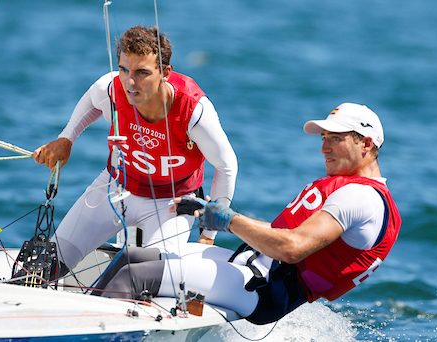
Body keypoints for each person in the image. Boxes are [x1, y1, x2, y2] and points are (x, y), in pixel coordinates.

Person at [94, 102, 401, 325]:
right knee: (133, 256)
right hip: (252, 267)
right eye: (323, 138)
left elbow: (292, 248)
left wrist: (229, 220)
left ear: (367, 143)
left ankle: (94, 328)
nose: (324, 148)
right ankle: (81, 316)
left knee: (136, 276)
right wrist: (211, 213)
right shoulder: (354, 190)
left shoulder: (360, 197)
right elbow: (282, 234)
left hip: (265, 289)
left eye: (335, 138)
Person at [33, 26, 238, 272]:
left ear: (165, 73)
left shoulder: (193, 111)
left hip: (170, 204)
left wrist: (207, 235)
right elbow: (91, 102)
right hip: (115, 187)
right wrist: (66, 139)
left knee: (142, 279)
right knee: (45, 265)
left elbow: (227, 167)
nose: (130, 82)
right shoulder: (110, 88)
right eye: (123, 69)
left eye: (142, 72)